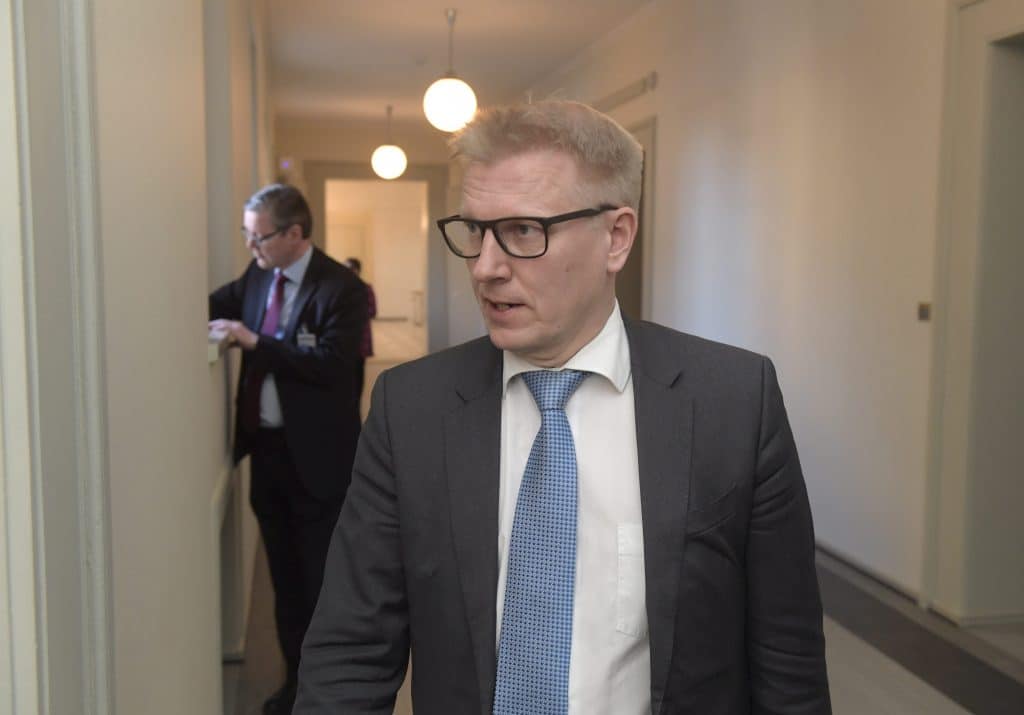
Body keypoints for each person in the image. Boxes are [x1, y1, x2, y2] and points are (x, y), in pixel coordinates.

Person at [295, 101, 831, 714]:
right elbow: (351, 651)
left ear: (616, 238)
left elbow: (788, 661)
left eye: (524, 231)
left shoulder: (733, 402)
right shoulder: (411, 410)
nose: (485, 268)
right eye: (475, 231)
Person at [209, 183, 365, 715]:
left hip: (319, 461)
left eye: (259, 237)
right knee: (284, 582)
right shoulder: (257, 276)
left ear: (295, 233)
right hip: (268, 455)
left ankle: (326, 693)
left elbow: (333, 366)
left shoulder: (341, 288)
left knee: (319, 584)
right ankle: (294, 685)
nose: (250, 247)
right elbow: (208, 305)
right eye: (246, 235)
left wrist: (257, 343)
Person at [342, 257, 377, 407]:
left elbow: (372, 311)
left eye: (350, 268)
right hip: (343, 340)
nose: (347, 271)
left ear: (357, 270)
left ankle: (356, 402)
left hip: (360, 339)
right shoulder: (339, 287)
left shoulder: (365, 288)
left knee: (358, 372)